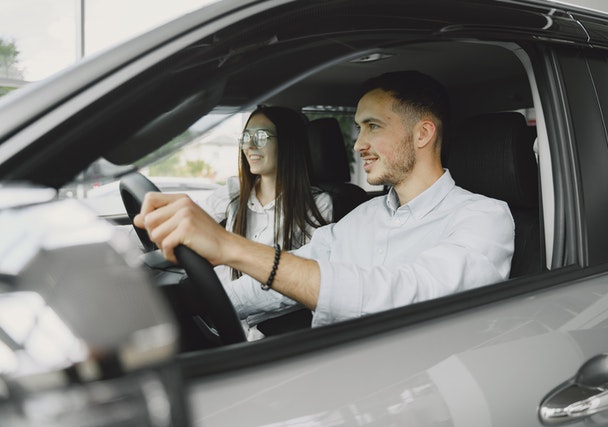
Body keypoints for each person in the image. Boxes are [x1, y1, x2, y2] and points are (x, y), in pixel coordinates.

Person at [134, 70, 515, 329]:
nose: (359, 143)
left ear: (423, 134)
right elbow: (287, 275)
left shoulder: (484, 218)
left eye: (373, 126)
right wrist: (184, 305)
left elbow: (404, 294)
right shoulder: (361, 218)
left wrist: (230, 248)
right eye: (358, 128)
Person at [197, 106, 332, 282]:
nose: (250, 146)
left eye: (261, 137)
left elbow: (306, 279)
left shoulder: (317, 203)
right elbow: (193, 221)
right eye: (246, 137)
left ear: (287, 142)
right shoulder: (235, 189)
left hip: (262, 306)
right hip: (219, 298)